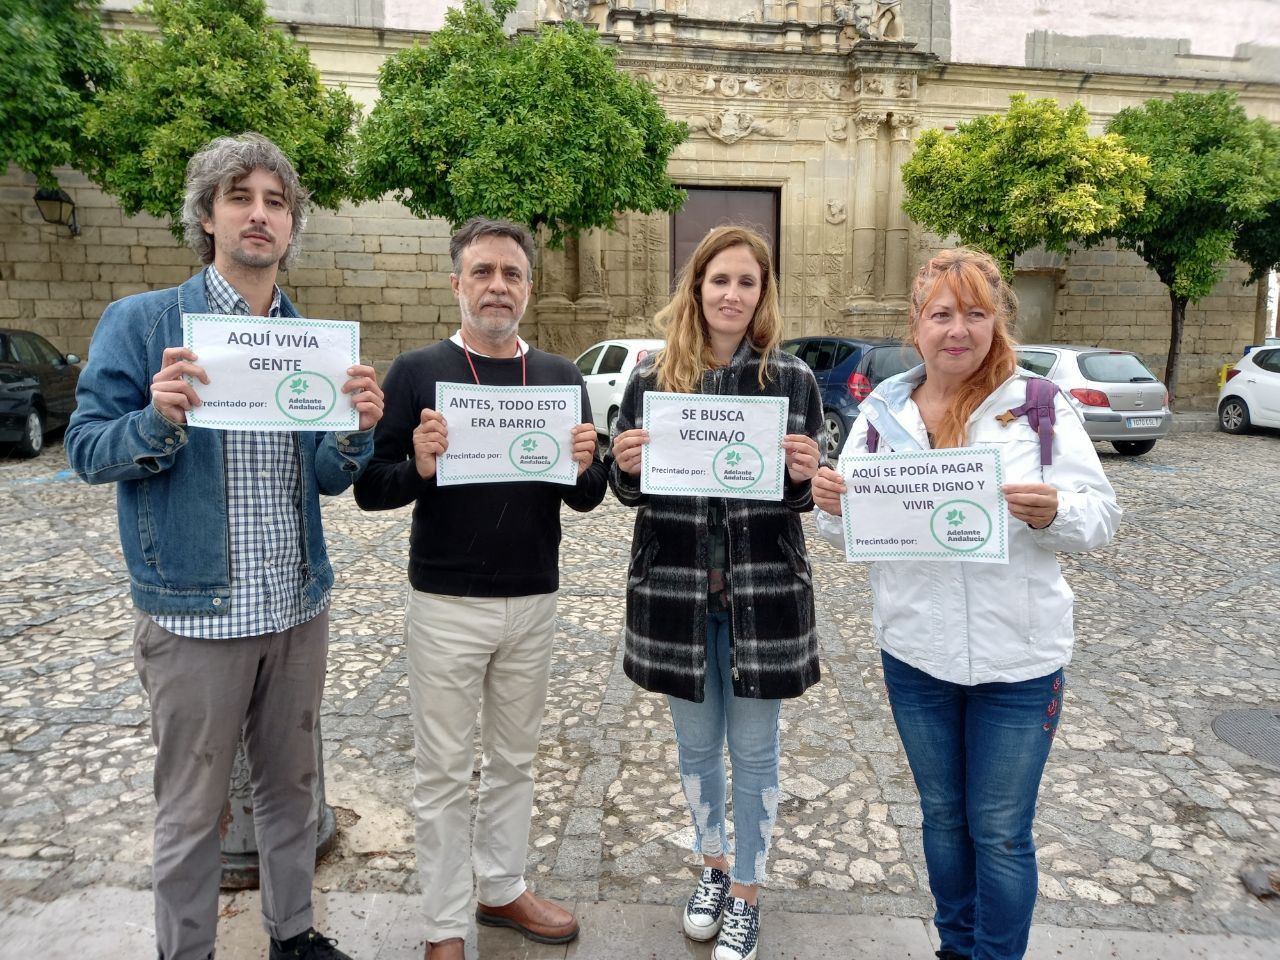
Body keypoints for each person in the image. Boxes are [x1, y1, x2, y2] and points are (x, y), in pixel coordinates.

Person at [65, 133, 384, 960]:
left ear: (290, 226)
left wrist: (355, 429)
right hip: (194, 612)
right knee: (189, 808)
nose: (259, 214)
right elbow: (87, 449)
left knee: (290, 789)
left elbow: (324, 476)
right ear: (206, 215)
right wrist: (153, 420)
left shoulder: (309, 340)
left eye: (276, 202)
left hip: (294, 603)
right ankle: (189, 952)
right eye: (240, 197)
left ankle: (293, 935)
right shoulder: (141, 325)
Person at [812, 247, 1120, 960]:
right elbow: (852, 530)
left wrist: (1054, 513)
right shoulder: (881, 414)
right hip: (916, 655)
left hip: (1020, 662)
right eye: (942, 314)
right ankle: (956, 948)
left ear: (997, 322)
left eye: (975, 313)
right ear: (916, 327)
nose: (958, 329)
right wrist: (831, 504)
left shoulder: (1038, 406)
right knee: (944, 818)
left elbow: (1100, 517)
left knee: (1002, 828)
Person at [352, 217, 606, 960]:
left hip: (533, 598)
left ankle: (501, 887)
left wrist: (587, 463)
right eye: (484, 272)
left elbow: (585, 498)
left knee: (516, 760)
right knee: (442, 770)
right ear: (457, 282)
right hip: (446, 603)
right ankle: (441, 926)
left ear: (529, 287)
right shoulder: (416, 371)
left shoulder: (561, 378)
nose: (499, 285)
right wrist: (420, 466)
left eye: (513, 274)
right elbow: (371, 488)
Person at [608, 225, 823, 960]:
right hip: (676, 596)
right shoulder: (651, 380)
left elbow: (806, 499)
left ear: (763, 296)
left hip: (763, 598)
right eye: (719, 280)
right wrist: (626, 464)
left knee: (756, 752)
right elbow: (627, 491)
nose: (732, 294)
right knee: (696, 750)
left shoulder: (793, 381)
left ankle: (749, 893)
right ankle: (713, 868)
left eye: (747, 283)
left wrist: (804, 476)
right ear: (696, 288)